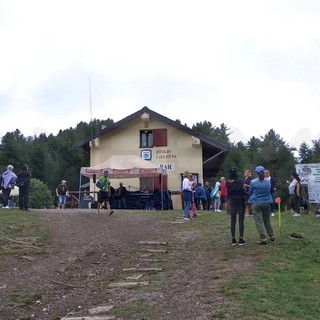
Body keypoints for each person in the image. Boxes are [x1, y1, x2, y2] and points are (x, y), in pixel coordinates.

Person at [247, 165, 276, 245]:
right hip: (266, 202)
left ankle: (263, 238)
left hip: (256, 203)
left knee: (259, 221)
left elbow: (250, 192)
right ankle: (272, 236)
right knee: (267, 221)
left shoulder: (253, 182)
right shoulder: (268, 181)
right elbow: (269, 191)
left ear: (256, 173)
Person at [226, 168, 246, 245]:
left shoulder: (228, 182)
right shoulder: (240, 181)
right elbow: (243, 191)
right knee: (241, 220)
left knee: (233, 220)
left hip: (232, 202)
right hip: (240, 201)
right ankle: (241, 238)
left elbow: (228, 193)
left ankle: (233, 238)